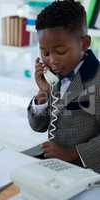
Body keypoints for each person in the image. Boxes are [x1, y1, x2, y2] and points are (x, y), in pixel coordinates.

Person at [27, 0, 100, 173]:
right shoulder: (56, 78)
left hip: (86, 171)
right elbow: (38, 126)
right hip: (55, 167)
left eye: (60, 52)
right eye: (45, 52)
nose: (52, 61)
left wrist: (73, 153)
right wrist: (43, 93)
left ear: (84, 43)